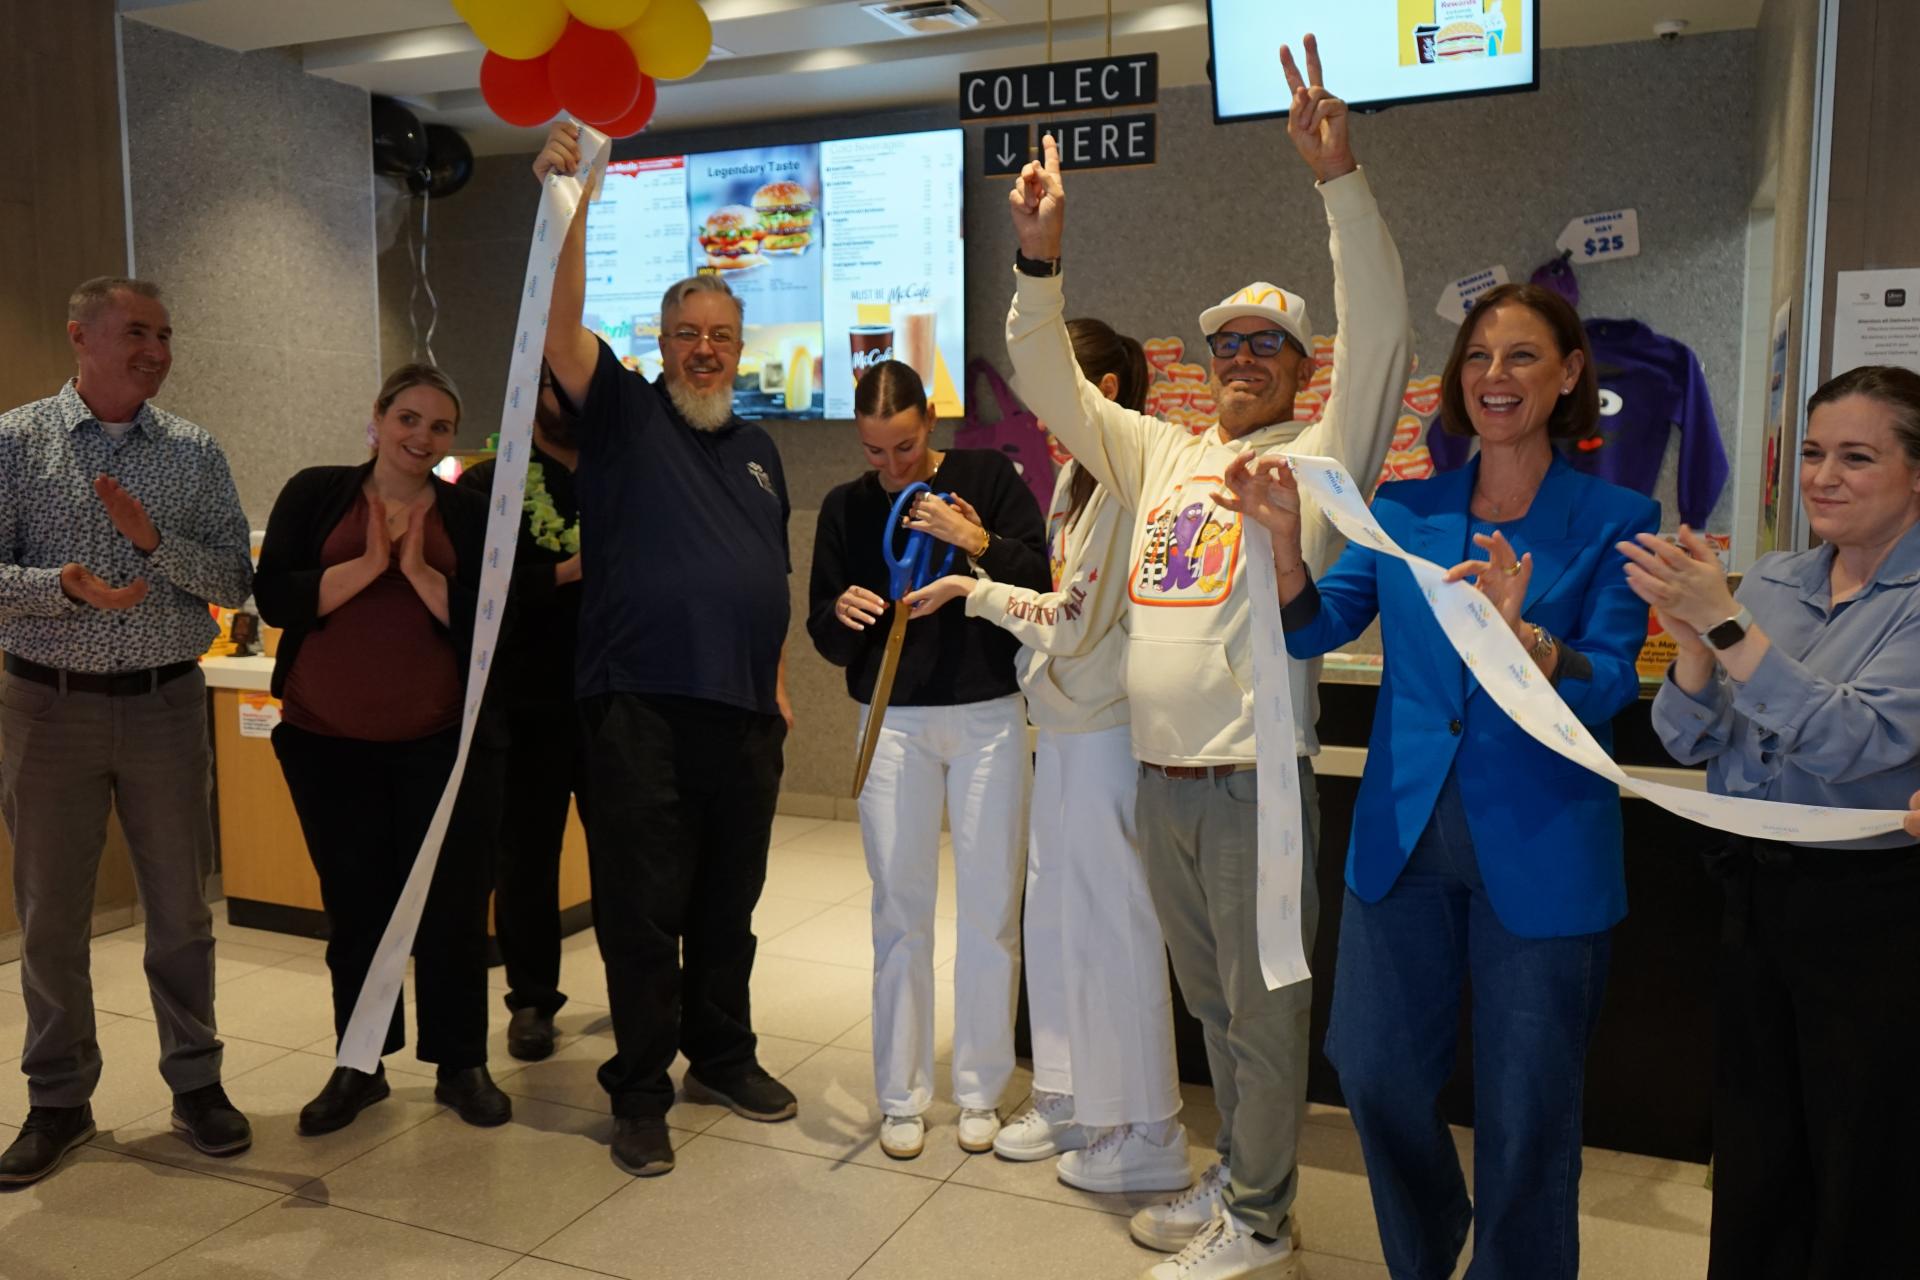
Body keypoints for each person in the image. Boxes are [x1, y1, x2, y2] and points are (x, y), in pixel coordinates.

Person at [1005, 37, 1410, 1280]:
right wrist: (1038, 261)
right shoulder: (1164, 453)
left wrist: (1339, 183)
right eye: (1225, 344)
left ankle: (1265, 1217)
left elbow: (1384, 332)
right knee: (1213, 1007)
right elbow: (1049, 380)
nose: (1240, 358)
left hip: (1252, 784)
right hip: (1160, 779)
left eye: (1265, 346)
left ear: (1301, 369)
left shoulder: (1323, 457)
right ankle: (1239, 1177)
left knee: (1264, 1010)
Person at [1224, 281, 1659, 1280]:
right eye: (1478, 357)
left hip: (1544, 843)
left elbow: (1610, 680)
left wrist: (1529, 642)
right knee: (1373, 1070)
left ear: (1569, 374)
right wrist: (1286, 547)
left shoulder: (1617, 516)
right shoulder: (1405, 508)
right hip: (1404, 838)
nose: (1494, 376)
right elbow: (1318, 627)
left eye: (1522, 356)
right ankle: (1427, 1249)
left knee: (1528, 1108)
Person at [535, 121, 798, 1179]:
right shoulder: (622, 416)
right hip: (638, 708)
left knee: (729, 905)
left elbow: (767, 579)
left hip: (744, 716)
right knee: (642, 911)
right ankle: (640, 1090)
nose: (705, 349)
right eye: (687, 333)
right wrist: (572, 208)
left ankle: (721, 1056)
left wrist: (776, 684)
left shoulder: (761, 449)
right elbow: (558, 331)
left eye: (720, 336)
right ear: (660, 340)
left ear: (740, 347)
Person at [1635, 364, 1920, 1279]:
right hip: (1753, 894)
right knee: (1758, 1151)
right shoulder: (1773, 581)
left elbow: (1854, 739)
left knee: (1861, 1157)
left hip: (1874, 911)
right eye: (1810, 453)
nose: (1823, 478)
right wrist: (1692, 648)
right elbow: (1690, 737)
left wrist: (1726, 630)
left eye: (1856, 457)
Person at [906, 320, 1189, 1191]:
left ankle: (1148, 1124)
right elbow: (1055, 590)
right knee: (1058, 922)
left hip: (1106, 733)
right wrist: (985, 564)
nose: (1039, 410)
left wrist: (973, 587)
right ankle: (1071, 1093)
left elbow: (1071, 620)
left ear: (1104, 390)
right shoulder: (1073, 477)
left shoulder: (1130, 480)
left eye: (1053, 386)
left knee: (1116, 928)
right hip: (1060, 726)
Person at [0, 277, 254, 1187]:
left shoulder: (193, 450)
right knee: (51, 919)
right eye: (137, 332)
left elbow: (235, 580)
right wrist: (59, 587)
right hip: (46, 708)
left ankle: (197, 1085)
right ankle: (58, 1101)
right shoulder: (16, 441)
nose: (156, 350)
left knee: (181, 912)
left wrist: (154, 545)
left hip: (164, 706)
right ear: (81, 336)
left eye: (165, 335)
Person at [254, 364, 511, 1135]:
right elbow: (276, 597)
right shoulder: (317, 492)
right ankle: (359, 1065)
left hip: (444, 746)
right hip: (327, 742)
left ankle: (461, 1064)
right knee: (357, 908)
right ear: (378, 417)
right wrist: (367, 567)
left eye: (439, 426)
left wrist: (420, 574)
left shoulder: (470, 512)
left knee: (454, 908)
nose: (421, 437)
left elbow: (497, 622)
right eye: (408, 418)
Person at [808, 359, 1049, 1161]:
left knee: (990, 907)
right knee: (899, 911)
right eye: (875, 451)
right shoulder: (846, 507)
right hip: (892, 722)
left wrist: (974, 540)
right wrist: (842, 613)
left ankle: (980, 1089)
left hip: (987, 715)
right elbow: (822, 630)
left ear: (931, 422)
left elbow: (1039, 581)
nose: (891, 465)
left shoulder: (986, 478)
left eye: (905, 446)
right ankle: (901, 1096)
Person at [458, 362, 585, 1062]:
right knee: (527, 861)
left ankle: (644, 990)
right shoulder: (491, 485)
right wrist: (564, 574)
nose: (568, 399)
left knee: (633, 858)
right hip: (525, 703)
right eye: (553, 386)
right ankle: (532, 1000)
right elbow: (473, 594)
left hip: (614, 702)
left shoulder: (626, 474)